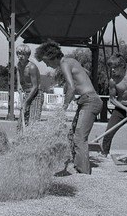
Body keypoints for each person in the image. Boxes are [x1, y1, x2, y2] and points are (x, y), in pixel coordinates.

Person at [35, 39, 102, 174]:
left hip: (89, 101)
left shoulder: (65, 63)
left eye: (46, 62)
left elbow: (71, 87)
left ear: (51, 57)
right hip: (86, 101)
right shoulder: (71, 61)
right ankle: (78, 165)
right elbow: (86, 72)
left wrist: (63, 108)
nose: (47, 65)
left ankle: (84, 172)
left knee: (79, 137)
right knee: (72, 135)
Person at [100, 53, 127, 159]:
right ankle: (104, 155)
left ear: (122, 67)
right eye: (111, 68)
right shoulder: (112, 81)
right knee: (108, 133)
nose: (113, 70)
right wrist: (125, 108)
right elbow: (112, 99)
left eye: (115, 68)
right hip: (120, 109)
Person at [16, 44, 43, 128]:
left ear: (28, 56)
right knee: (22, 121)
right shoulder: (19, 65)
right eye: (19, 54)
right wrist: (19, 85)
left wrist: (26, 102)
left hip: (36, 95)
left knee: (32, 122)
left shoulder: (31, 67)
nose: (20, 56)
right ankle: (20, 140)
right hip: (27, 93)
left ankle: (32, 140)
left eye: (23, 54)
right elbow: (18, 73)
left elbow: (35, 87)